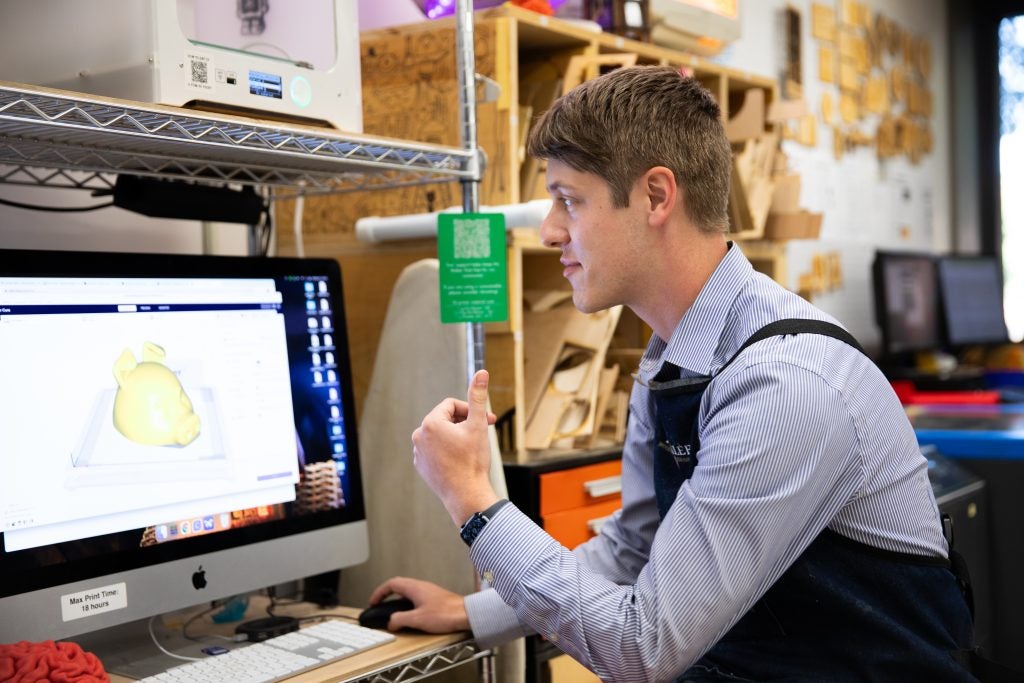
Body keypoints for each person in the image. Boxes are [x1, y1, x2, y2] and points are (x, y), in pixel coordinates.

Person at [370, 65, 976, 681]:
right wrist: (477, 613)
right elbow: (634, 550)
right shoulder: (676, 359)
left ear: (657, 196)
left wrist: (474, 503)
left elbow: (645, 646)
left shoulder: (788, 385)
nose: (550, 231)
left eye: (569, 201)